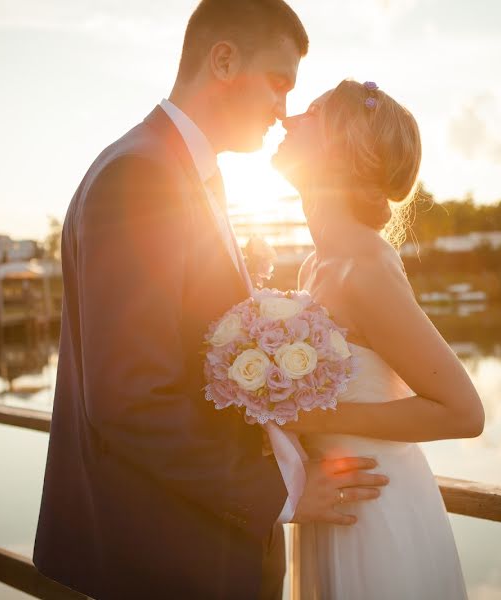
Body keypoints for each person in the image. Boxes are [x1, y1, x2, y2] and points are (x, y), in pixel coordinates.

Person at [32, 3, 388, 599]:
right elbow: (131, 399)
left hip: (196, 548)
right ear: (223, 60)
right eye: (279, 84)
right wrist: (284, 492)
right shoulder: (141, 176)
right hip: (172, 559)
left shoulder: (173, 169)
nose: (283, 110)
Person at [273, 79, 486, 599]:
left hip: (378, 511)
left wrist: (317, 419)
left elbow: (463, 411)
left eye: (311, 113)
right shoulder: (314, 266)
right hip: (333, 503)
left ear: (336, 150)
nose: (287, 119)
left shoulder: (364, 265)